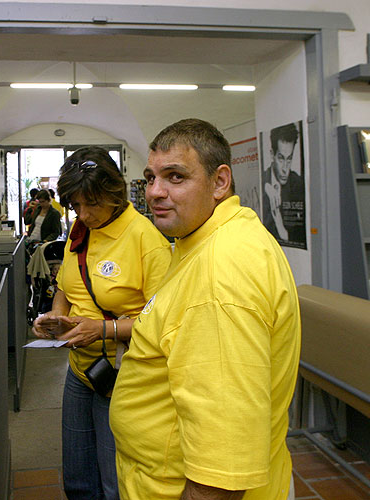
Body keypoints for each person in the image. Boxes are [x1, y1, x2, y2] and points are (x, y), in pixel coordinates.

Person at [109, 118, 301, 500]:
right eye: (151, 178)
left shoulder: (220, 274)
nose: (155, 192)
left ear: (220, 182)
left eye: (175, 177)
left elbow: (221, 468)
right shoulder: (206, 239)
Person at [32, 146, 172, 500]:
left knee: (114, 480)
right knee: (78, 476)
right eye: (76, 205)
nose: (85, 214)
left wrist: (104, 329)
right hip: (80, 371)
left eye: (92, 203)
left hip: (124, 373)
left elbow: (160, 321)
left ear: (115, 193)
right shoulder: (81, 231)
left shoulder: (145, 240)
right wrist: (55, 317)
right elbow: (66, 286)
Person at [262, 122, 305, 247]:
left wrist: (280, 225)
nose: (285, 168)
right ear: (272, 155)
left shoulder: (297, 183)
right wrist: (266, 186)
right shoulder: (263, 181)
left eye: (289, 159)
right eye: (281, 158)